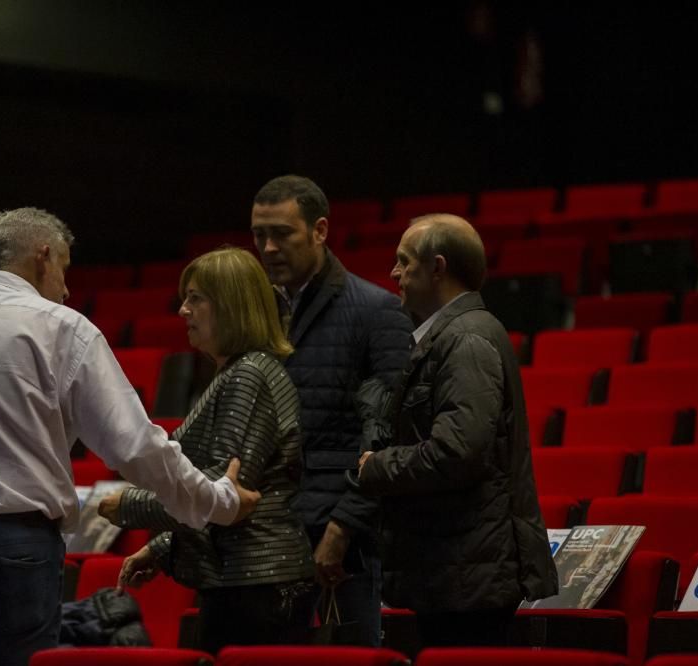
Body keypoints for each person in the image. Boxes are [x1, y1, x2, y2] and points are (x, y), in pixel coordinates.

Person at [0, 207, 261, 666]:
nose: (66, 289)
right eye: (64, 268)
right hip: (14, 547)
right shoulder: (62, 326)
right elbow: (136, 446)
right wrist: (217, 502)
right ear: (43, 255)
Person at [99, 247, 316, 654]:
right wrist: (161, 549)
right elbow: (216, 496)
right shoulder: (239, 371)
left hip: (257, 583)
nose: (183, 310)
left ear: (230, 306)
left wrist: (126, 506)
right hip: (246, 579)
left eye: (195, 298)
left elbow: (225, 497)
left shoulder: (248, 375)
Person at [356, 214, 558, 647]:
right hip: (455, 568)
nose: (394, 273)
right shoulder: (450, 334)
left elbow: (458, 451)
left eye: (403, 261)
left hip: (467, 574)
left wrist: (378, 466)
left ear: (438, 267)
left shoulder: (465, 338)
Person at [250, 175, 414, 645]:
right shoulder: (257, 312)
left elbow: (387, 437)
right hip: (271, 533)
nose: (268, 247)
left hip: (346, 542)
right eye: (260, 234)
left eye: (282, 233)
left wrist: (343, 528)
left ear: (320, 230)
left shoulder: (376, 310)